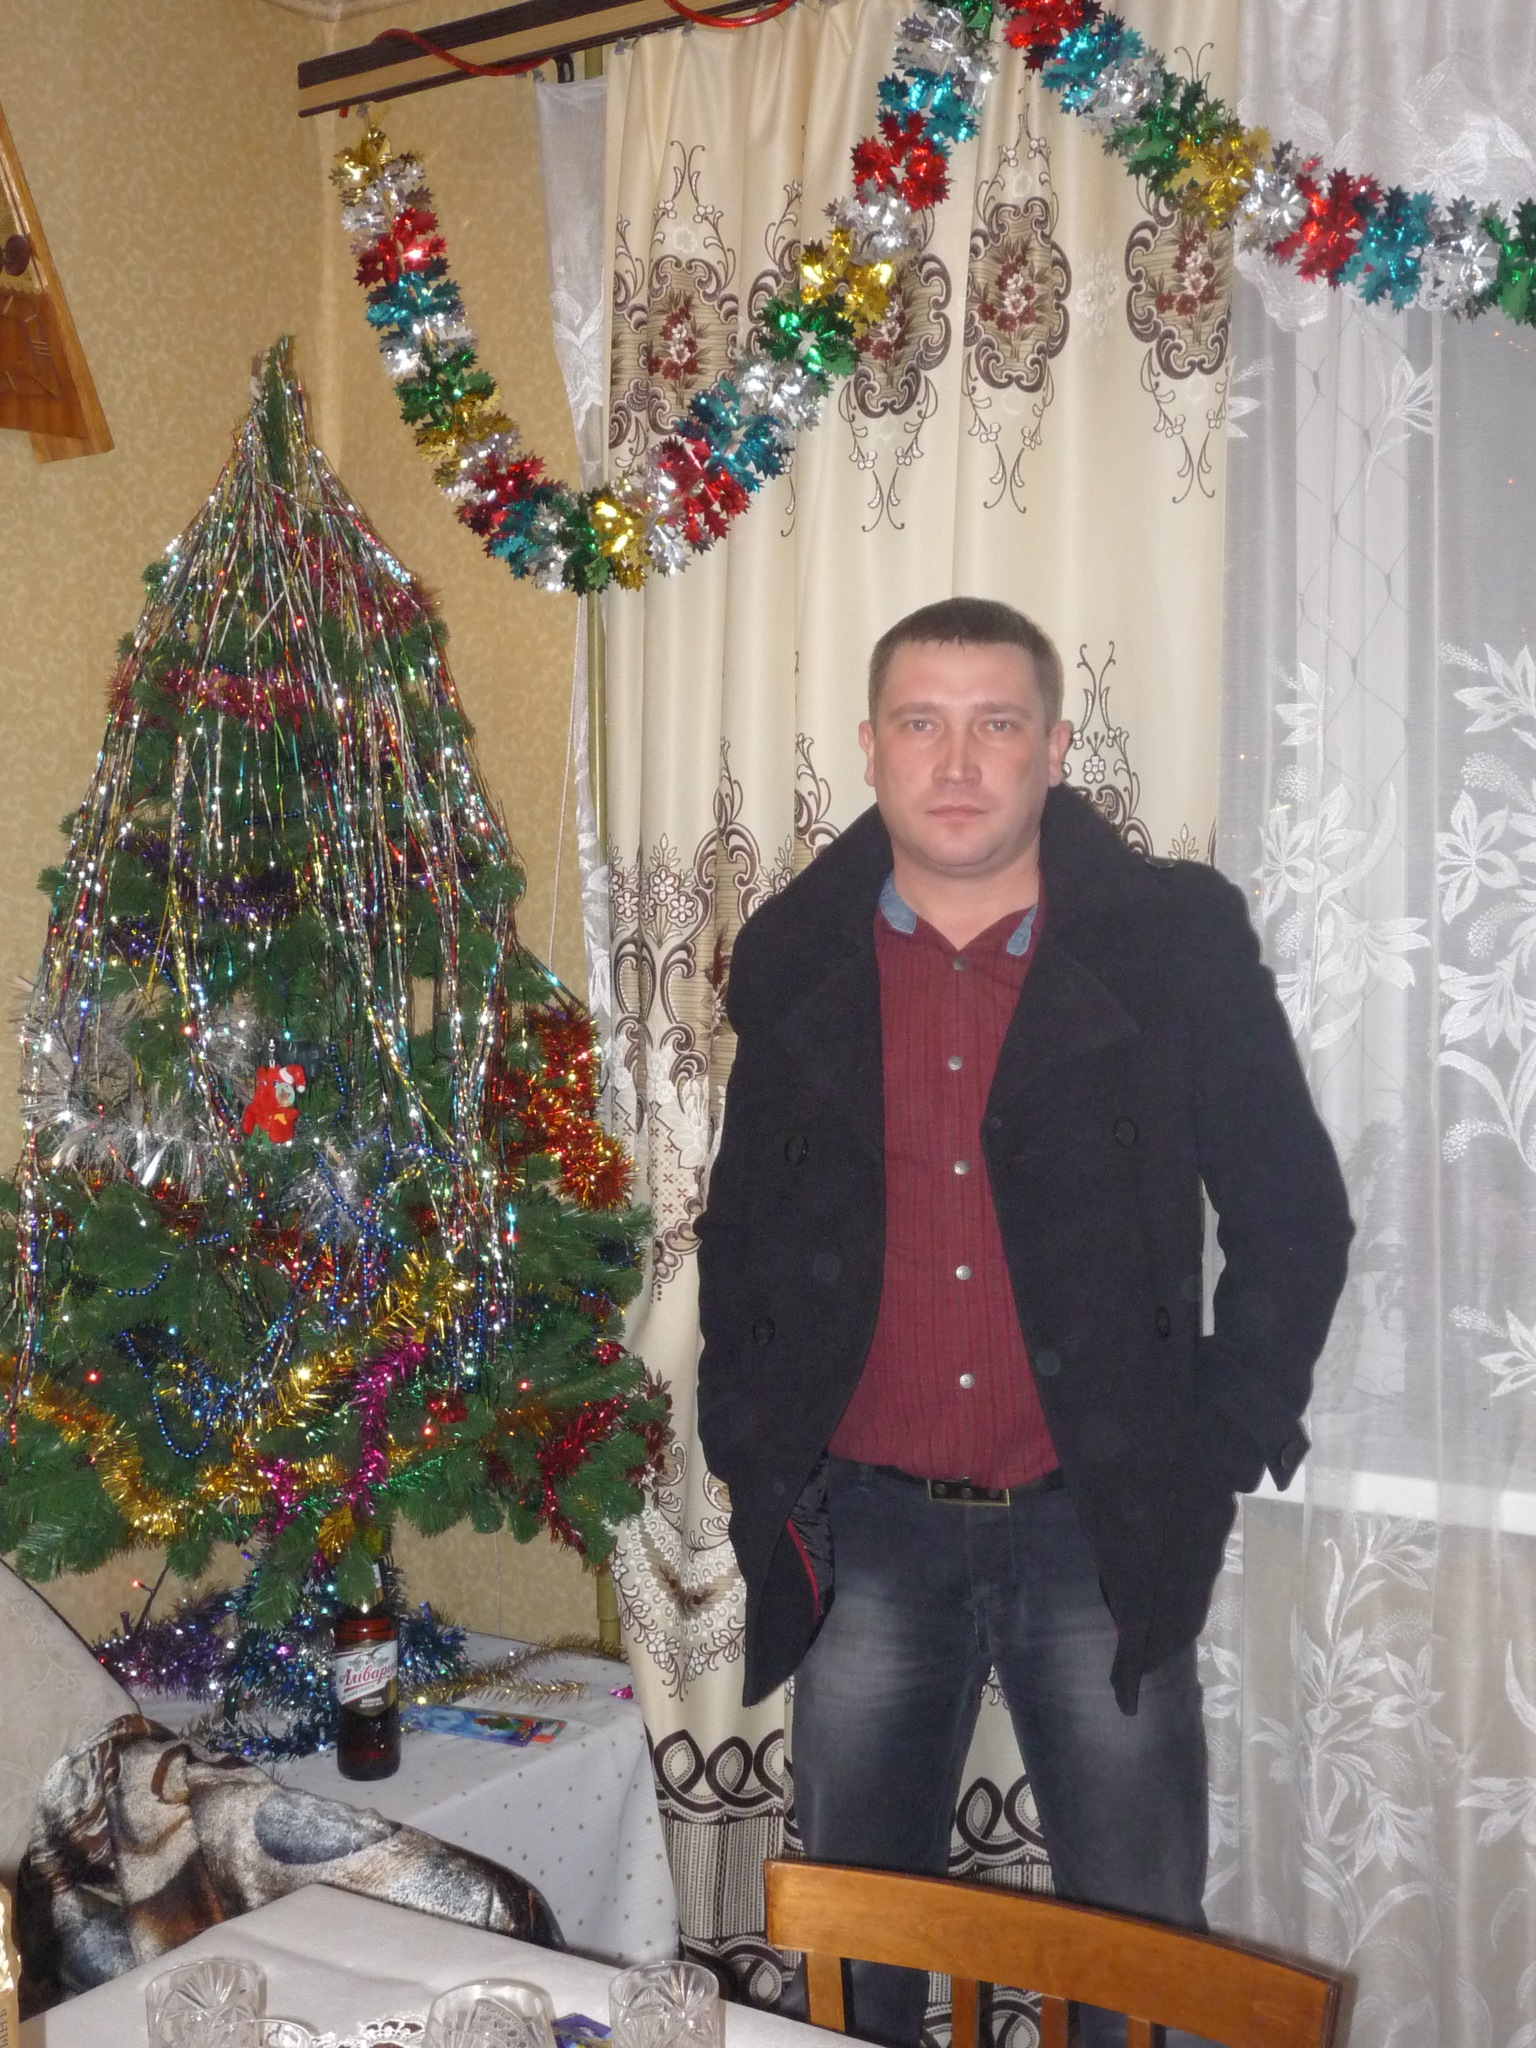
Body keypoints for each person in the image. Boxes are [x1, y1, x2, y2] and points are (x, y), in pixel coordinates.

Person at [695, 597, 1353, 2048]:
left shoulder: (1170, 944)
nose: (957, 762)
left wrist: (1212, 1445)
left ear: (1054, 749)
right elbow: (739, 1231)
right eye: (921, 723)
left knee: (1137, 1956)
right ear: (870, 748)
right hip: (865, 1534)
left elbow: (1293, 1216)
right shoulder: (799, 957)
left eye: (996, 724)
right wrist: (748, 1438)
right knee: (853, 1956)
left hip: (1098, 1528)